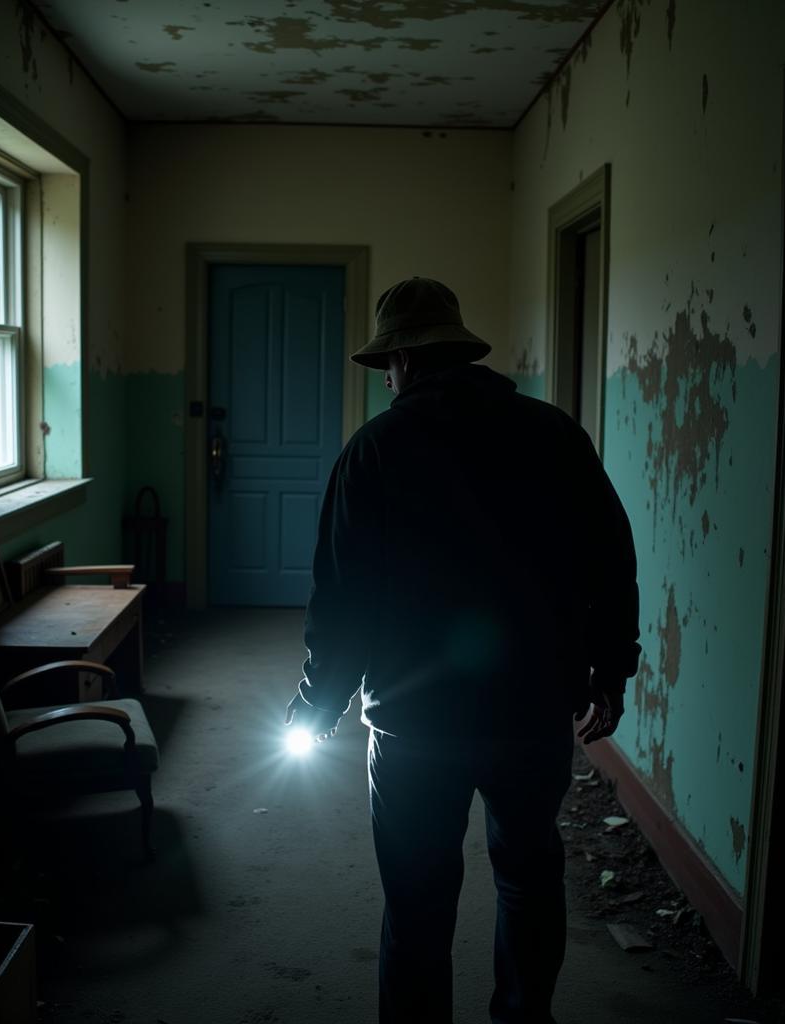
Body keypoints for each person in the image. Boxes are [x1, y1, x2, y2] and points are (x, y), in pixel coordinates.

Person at [284, 277, 642, 1024]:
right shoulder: (554, 434)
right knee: (528, 877)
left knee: (416, 903)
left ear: (406, 359)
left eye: (387, 365)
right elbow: (610, 560)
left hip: (414, 724)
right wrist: (612, 668)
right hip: (532, 709)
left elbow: (344, 600)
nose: (386, 380)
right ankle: (522, 1015)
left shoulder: (374, 451)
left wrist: (317, 706)